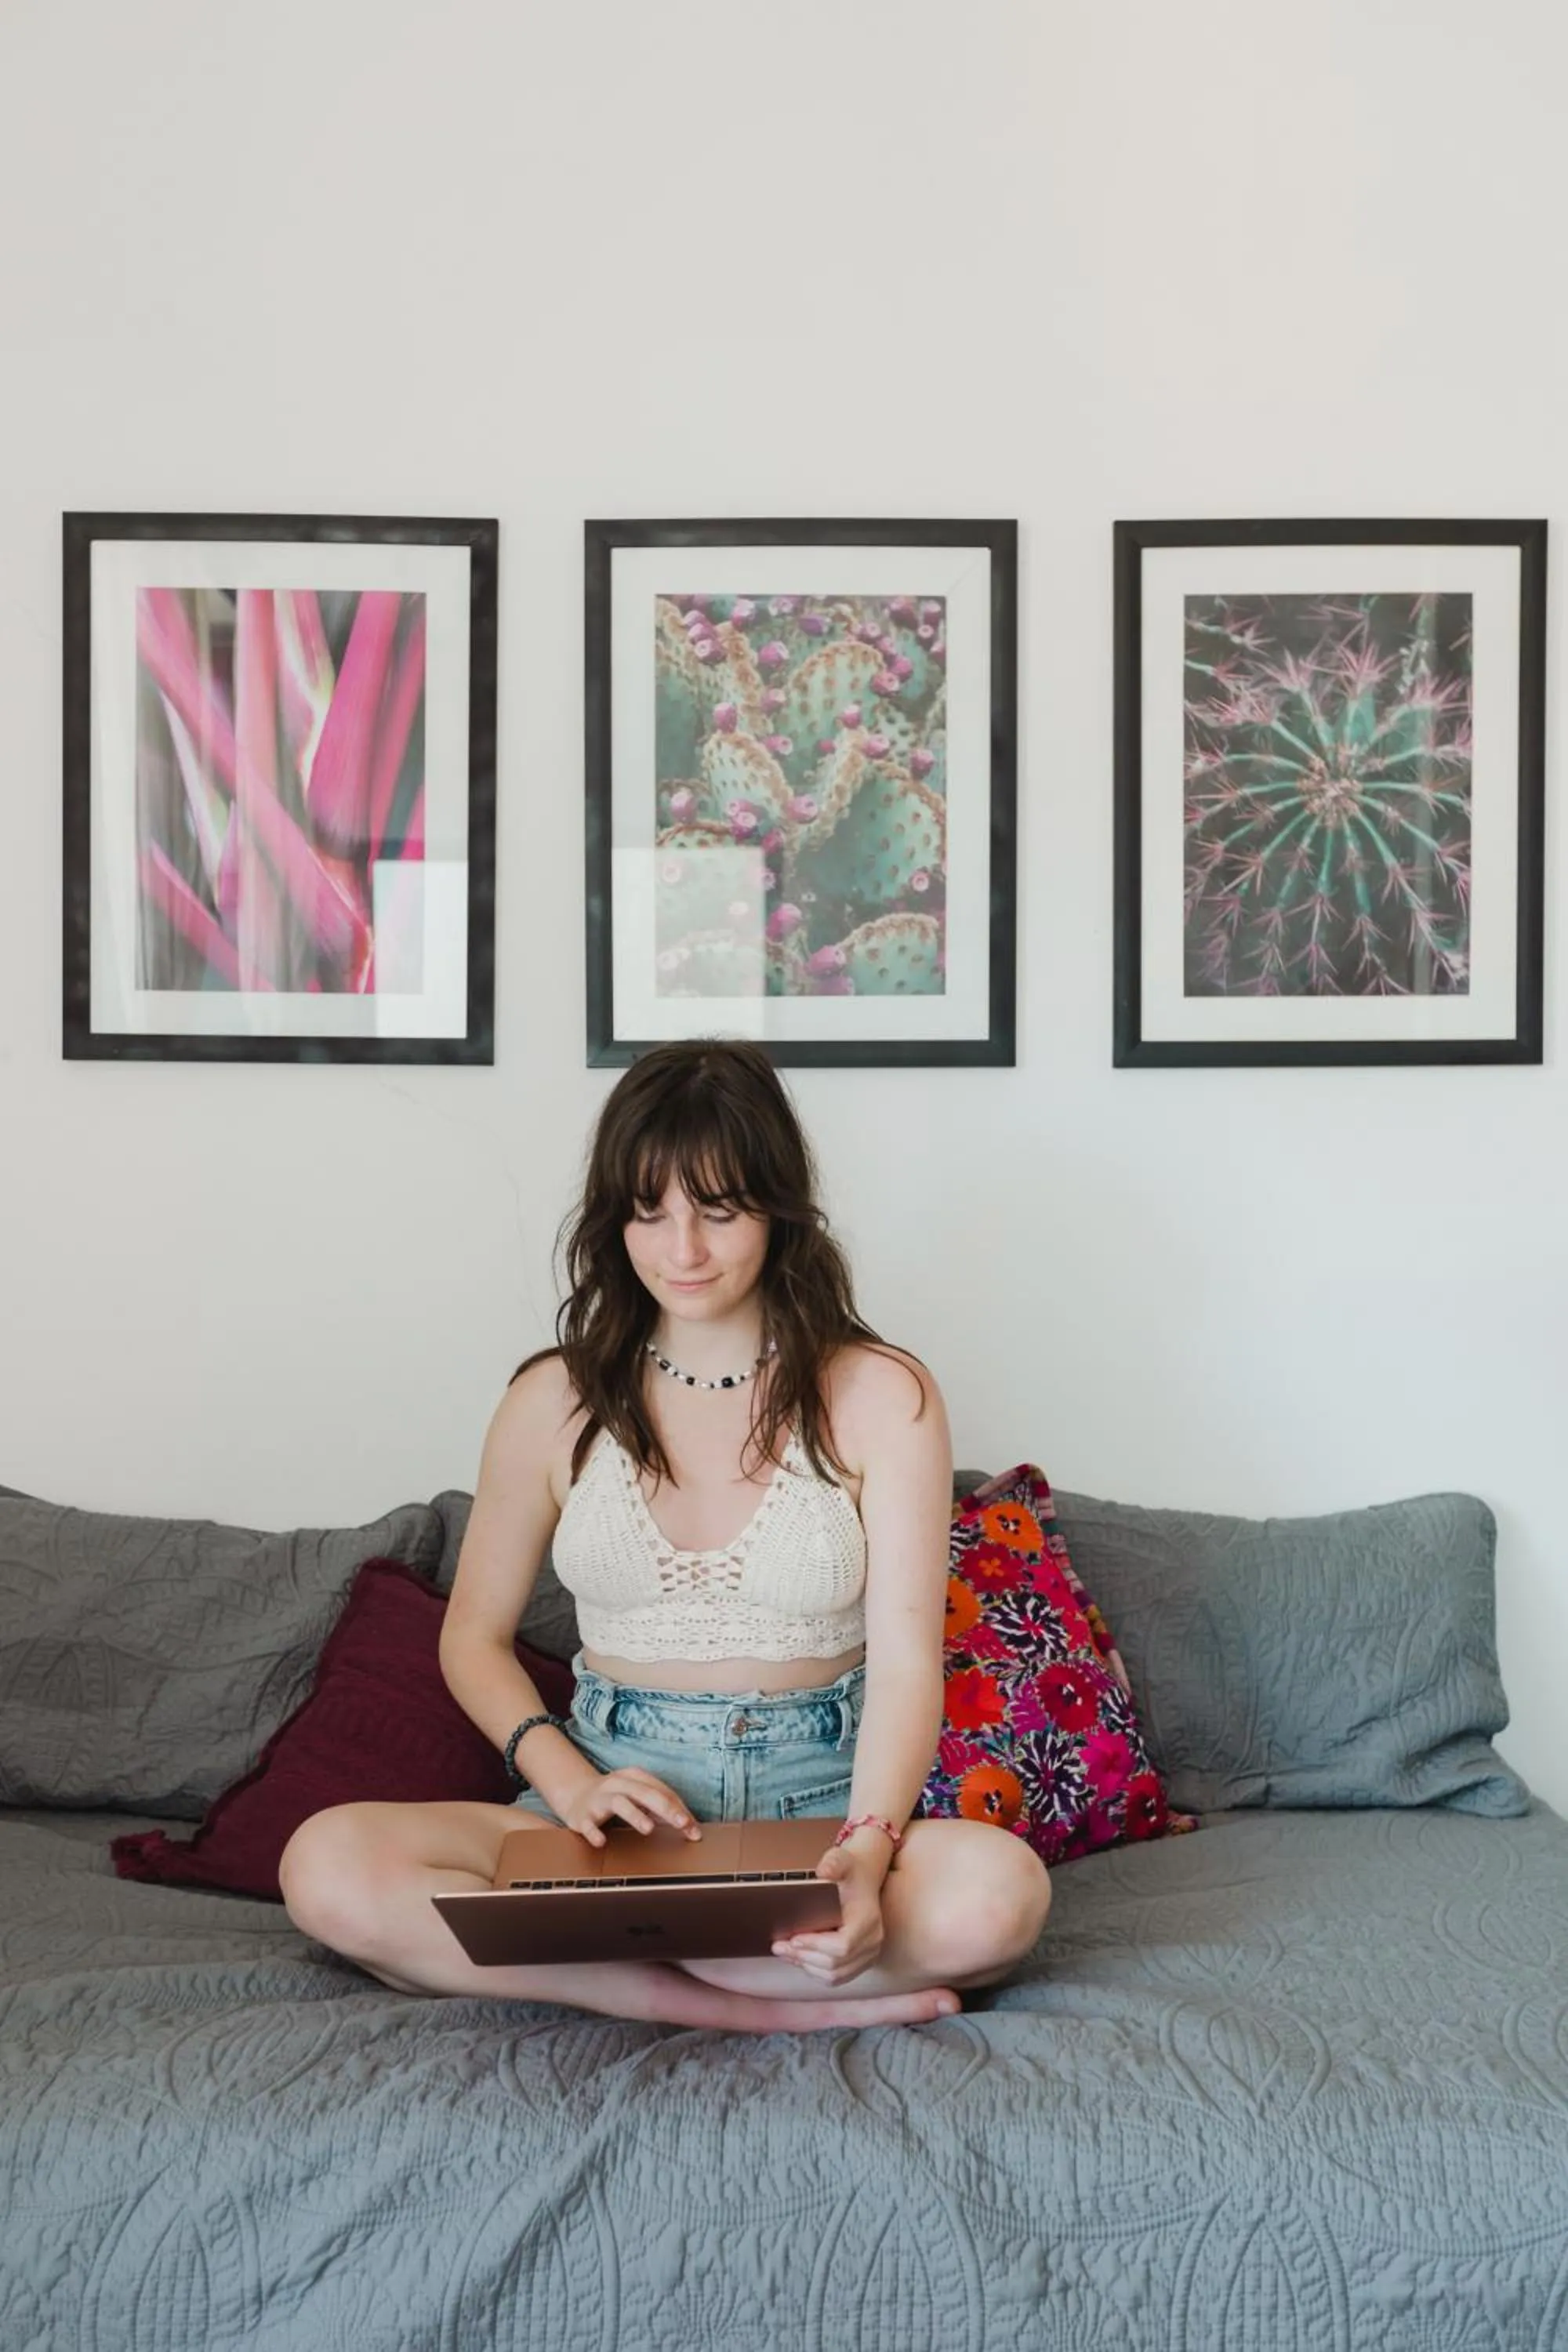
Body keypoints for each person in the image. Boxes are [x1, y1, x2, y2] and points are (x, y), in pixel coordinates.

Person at [279, 1038, 1051, 2031]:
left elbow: (908, 1665)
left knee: (1001, 1895)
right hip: (604, 1810)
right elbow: (469, 1638)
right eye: (649, 1212)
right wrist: (564, 1782)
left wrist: (863, 1853)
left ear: (778, 1206)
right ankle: (751, 1998)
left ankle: (595, 1958)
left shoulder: (880, 1394)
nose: (680, 1250)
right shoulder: (547, 1401)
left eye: (717, 1210)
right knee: (326, 1865)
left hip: (818, 1808)